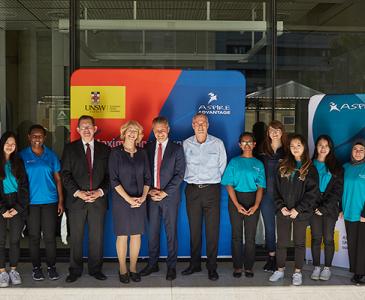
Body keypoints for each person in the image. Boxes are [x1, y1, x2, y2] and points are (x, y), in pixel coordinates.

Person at [61, 115, 110, 283]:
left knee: (97, 237)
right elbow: (65, 175)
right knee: (76, 237)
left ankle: (95, 269)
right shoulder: (70, 149)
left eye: (89, 126)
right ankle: (74, 270)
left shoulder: (105, 149)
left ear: (95, 129)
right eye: (83, 127)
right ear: (78, 130)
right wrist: (78, 192)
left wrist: (100, 192)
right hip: (76, 201)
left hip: (98, 201)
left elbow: (110, 176)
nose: (86, 130)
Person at [269, 134, 319, 286]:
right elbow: (275, 189)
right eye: (292, 146)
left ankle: (297, 272)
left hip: (301, 213)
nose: (295, 149)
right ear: (288, 148)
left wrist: (298, 209)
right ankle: (280, 270)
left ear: (304, 147)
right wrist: (281, 207)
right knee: (281, 242)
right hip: (283, 211)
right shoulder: (282, 165)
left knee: (299, 243)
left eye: (298, 145)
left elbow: (313, 194)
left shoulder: (310, 169)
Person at [182, 113, 227, 281]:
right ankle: (194, 265)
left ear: (208, 124)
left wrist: (211, 182)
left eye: (203, 122)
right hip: (192, 190)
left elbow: (222, 167)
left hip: (211, 191)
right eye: (197, 123)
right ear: (192, 125)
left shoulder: (217, 143)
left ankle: (212, 267)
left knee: (212, 230)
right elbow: (181, 167)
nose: (200, 125)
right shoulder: (186, 144)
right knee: (194, 230)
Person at [140, 117, 185, 281]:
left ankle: (171, 266)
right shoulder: (148, 147)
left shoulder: (177, 149)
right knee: (152, 232)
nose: (159, 133)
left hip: (170, 198)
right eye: (156, 130)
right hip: (151, 197)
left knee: (171, 232)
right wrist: (151, 191)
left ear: (168, 129)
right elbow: (144, 173)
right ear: (153, 131)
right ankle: (153, 264)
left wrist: (164, 192)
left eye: (162, 129)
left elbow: (180, 174)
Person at [19, 125, 64, 281]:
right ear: (28, 137)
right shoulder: (22, 155)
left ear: (45, 138)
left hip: (50, 201)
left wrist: (61, 201)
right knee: (33, 237)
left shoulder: (51, 155)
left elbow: (58, 180)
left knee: (50, 237)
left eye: (40, 136)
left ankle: (51, 267)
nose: (37, 138)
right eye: (34, 135)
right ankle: (36, 268)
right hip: (31, 203)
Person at [109, 120, 151, 284]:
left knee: (136, 235)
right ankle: (122, 268)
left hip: (140, 200)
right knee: (122, 235)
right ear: (124, 133)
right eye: (130, 130)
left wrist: (142, 197)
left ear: (139, 135)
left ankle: (133, 268)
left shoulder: (142, 153)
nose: (133, 134)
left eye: (136, 131)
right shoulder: (115, 153)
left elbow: (148, 177)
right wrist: (128, 199)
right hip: (121, 201)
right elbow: (113, 180)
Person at [221, 132, 266, 278]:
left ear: (254, 145)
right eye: (244, 142)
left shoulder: (259, 164)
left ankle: (249, 267)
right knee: (237, 236)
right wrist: (236, 204)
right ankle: (237, 266)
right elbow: (228, 184)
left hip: (253, 199)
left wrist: (256, 205)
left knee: (250, 236)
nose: (246, 145)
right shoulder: (234, 162)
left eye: (249, 142)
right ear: (239, 145)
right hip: (236, 198)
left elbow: (260, 187)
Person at [310, 135, 343, 281]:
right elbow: (306, 189)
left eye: (326, 146)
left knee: (328, 239)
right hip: (313, 207)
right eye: (320, 145)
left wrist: (324, 207)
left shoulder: (337, 167)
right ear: (316, 147)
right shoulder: (309, 164)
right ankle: (316, 267)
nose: (323, 148)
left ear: (330, 148)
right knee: (316, 238)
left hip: (329, 209)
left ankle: (327, 268)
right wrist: (314, 206)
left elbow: (337, 191)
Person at [0, 132, 29, 287]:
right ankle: (2, 272)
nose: (10, 146)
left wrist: (17, 208)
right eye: (7, 143)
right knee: (1, 240)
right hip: (2, 203)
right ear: (2, 144)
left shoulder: (18, 162)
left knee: (15, 240)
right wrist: (2, 209)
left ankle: (13, 270)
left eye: (13, 144)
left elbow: (25, 187)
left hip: (17, 203)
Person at [258, 120, 287, 272]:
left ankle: (281, 259)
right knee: (269, 228)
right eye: (271, 131)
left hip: (284, 196)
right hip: (266, 196)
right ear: (268, 133)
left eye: (277, 130)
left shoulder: (288, 150)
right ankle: (271, 257)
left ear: (282, 132)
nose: (274, 133)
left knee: (282, 229)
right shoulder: (262, 150)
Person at [342, 139, 365, 285]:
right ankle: (356, 271)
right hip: (348, 212)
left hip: (362, 214)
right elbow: (339, 190)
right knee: (352, 244)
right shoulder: (345, 167)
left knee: (362, 245)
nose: (358, 152)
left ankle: (360, 273)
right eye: (355, 149)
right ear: (351, 151)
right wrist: (339, 208)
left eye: (361, 149)